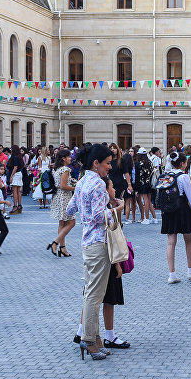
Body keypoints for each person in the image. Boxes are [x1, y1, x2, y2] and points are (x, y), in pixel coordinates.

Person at [65, 144, 115, 361]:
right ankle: (88, 338)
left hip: (86, 242)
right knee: (94, 295)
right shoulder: (97, 184)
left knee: (91, 292)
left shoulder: (82, 181)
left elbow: (70, 209)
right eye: (107, 163)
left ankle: (95, 339)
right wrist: (114, 211)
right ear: (96, 163)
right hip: (98, 241)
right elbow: (97, 216)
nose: (109, 168)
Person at [161, 154, 191, 283]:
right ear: (182, 164)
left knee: (171, 241)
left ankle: (171, 274)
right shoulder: (184, 177)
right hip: (183, 209)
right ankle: (190, 271)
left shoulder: (166, 176)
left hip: (169, 210)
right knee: (188, 240)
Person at [49, 151, 77, 257]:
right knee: (72, 222)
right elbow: (63, 186)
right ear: (64, 158)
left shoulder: (57, 169)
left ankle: (62, 247)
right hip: (64, 197)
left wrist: (72, 182)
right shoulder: (65, 169)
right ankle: (55, 243)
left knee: (62, 224)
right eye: (69, 157)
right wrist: (76, 188)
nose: (71, 158)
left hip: (57, 196)